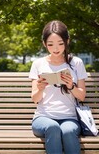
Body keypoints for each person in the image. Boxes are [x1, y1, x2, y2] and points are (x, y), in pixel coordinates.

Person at [29, 20, 87, 154]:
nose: (56, 48)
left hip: (69, 118)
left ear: (67, 41)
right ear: (44, 43)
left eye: (60, 43)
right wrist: (40, 88)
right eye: (50, 44)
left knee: (67, 130)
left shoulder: (76, 63)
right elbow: (35, 99)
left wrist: (71, 86)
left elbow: (82, 96)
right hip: (43, 118)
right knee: (53, 127)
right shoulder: (38, 64)